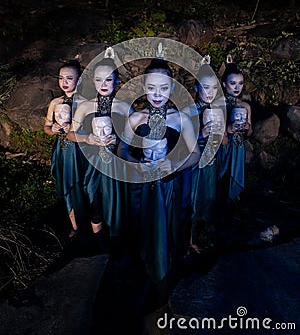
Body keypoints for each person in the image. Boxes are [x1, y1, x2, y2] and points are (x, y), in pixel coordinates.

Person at [117, 57, 200, 316]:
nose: (157, 94)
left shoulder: (180, 118)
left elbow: (195, 154)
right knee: (140, 237)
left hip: (168, 189)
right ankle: (139, 290)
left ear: (172, 88)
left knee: (166, 237)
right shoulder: (135, 118)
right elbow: (121, 151)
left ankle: (164, 293)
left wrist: (173, 167)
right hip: (141, 191)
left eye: (164, 88)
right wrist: (136, 163)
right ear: (143, 85)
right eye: (151, 87)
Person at [67, 51, 133, 250]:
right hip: (94, 163)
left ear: (117, 80)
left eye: (108, 79)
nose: (103, 84)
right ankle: (100, 247)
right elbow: (71, 134)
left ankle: (118, 246)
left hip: (118, 162)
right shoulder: (85, 107)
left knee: (119, 203)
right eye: (98, 79)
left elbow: (136, 135)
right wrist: (87, 138)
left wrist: (121, 142)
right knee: (96, 204)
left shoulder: (124, 107)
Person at [181, 55, 226, 252]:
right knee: (192, 198)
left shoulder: (219, 109)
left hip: (211, 161)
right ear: (196, 88)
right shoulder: (188, 110)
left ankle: (205, 233)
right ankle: (188, 240)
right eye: (204, 87)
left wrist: (221, 133)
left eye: (213, 88)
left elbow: (224, 139)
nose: (209, 92)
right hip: (194, 162)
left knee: (209, 195)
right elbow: (183, 139)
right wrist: (203, 133)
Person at [44, 59, 87, 238]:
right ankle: (75, 227)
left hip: (79, 150)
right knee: (67, 185)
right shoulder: (55, 102)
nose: (64, 82)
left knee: (83, 185)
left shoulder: (85, 102)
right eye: (61, 78)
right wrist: (52, 129)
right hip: (62, 149)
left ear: (79, 80)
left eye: (69, 78)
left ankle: (90, 224)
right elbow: (46, 127)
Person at [217, 57, 252, 226]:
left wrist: (246, 127)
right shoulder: (219, 104)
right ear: (224, 84)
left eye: (240, 83)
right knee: (222, 176)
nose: (237, 87)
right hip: (225, 146)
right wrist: (229, 128)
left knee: (235, 176)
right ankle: (219, 211)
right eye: (233, 83)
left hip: (239, 146)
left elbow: (250, 131)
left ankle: (234, 209)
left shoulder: (245, 106)